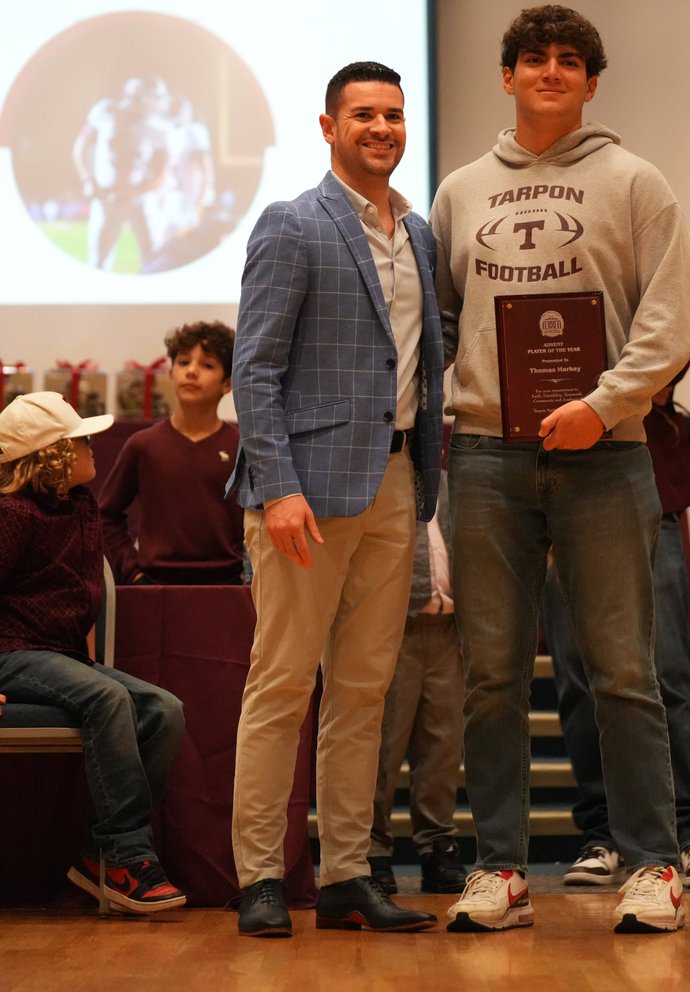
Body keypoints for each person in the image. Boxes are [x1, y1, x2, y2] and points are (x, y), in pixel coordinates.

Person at [430, 4, 690, 934]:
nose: (550, 71)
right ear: (506, 77)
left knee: (623, 671)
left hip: (606, 457)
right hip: (485, 460)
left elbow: (667, 326)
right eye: (533, 58)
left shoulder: (636, 181)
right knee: (491, 676)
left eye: (569, 61)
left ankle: (653, 867)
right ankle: (499, 872)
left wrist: (602, 406)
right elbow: (440, 326)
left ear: (591, 83)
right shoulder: (459, 191)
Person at [228, 60, 444, 938]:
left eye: (393, 115)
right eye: (363, 115)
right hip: (305, 496)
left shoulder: (421, 234)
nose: (381, 128)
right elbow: (255, 367)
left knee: (365, 690)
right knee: (282, 684)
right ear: (327, 128)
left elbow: (427, 364)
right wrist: (276, 488)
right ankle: (259, 879)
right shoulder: (292, 224)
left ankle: (348, 872)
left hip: (397, 483)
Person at [544, 372, 690, 891]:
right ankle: (602, 833)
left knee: (667, 670)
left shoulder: (648, 288)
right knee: (577, 680)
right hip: (557, 487)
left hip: (647, 481)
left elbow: (667, 363)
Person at [0, 391, 186, 913]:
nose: (93, 448)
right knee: (107, 699)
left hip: (57, 656)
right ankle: (127, 855)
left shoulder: (80, 506)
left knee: (165, 710)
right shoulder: (11, 514)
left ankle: (98, 857)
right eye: (81, 441)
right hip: (13, 652)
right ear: (52, 455)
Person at [368, 469, 468, 895]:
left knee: (443, 745)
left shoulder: (448, 481)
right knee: (382, 744)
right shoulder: (376, 479)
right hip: (394, 626)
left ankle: (437, 843)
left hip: (448, 629)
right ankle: (371, 849)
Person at [99, 320, 244, 586]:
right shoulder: (143, 445)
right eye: (184, 362)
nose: (192, 372)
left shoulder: (240, 446)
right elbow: (106, 515)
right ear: (171, 373)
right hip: (155, 586)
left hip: (227, 588)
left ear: (228, 383)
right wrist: (132, 571)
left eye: (207, 365)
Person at [73, 76, 170, 272]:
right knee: (98, 262)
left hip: (142, 199)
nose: (155, 105)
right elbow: (80, 146)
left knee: (155, 261)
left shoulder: (160, 128)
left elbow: (162, 175)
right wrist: (88, 180)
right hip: (106, 197)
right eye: (152, 99)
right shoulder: (105, 111)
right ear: (136, 97)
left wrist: (133, 192)